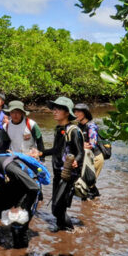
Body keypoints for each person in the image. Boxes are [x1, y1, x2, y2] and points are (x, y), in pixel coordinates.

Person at [39, 97, 84, 231]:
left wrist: (76, 160)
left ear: (66, 112)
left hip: (68, 174)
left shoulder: (74, 131)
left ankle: (71, 230)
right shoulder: (59, 129)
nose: (54, 111)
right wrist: (41, 153)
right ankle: (63, 232)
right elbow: (56, 150)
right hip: (58, 172)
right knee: (58, 208)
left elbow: (81, 152)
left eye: (58, 109)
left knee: (57, 208)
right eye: (54, 109)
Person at [73, 103, 103, 199]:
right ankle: (95, 199)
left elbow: (92, 144)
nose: (75, 113)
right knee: (87, 183)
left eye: (78, 111)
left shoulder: (91, 126)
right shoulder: (78, 126)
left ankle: (90, 207)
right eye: (74, 111)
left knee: (87, 183)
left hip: (95, 158)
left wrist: (80, 145)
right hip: (85, 158)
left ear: (85, 113)